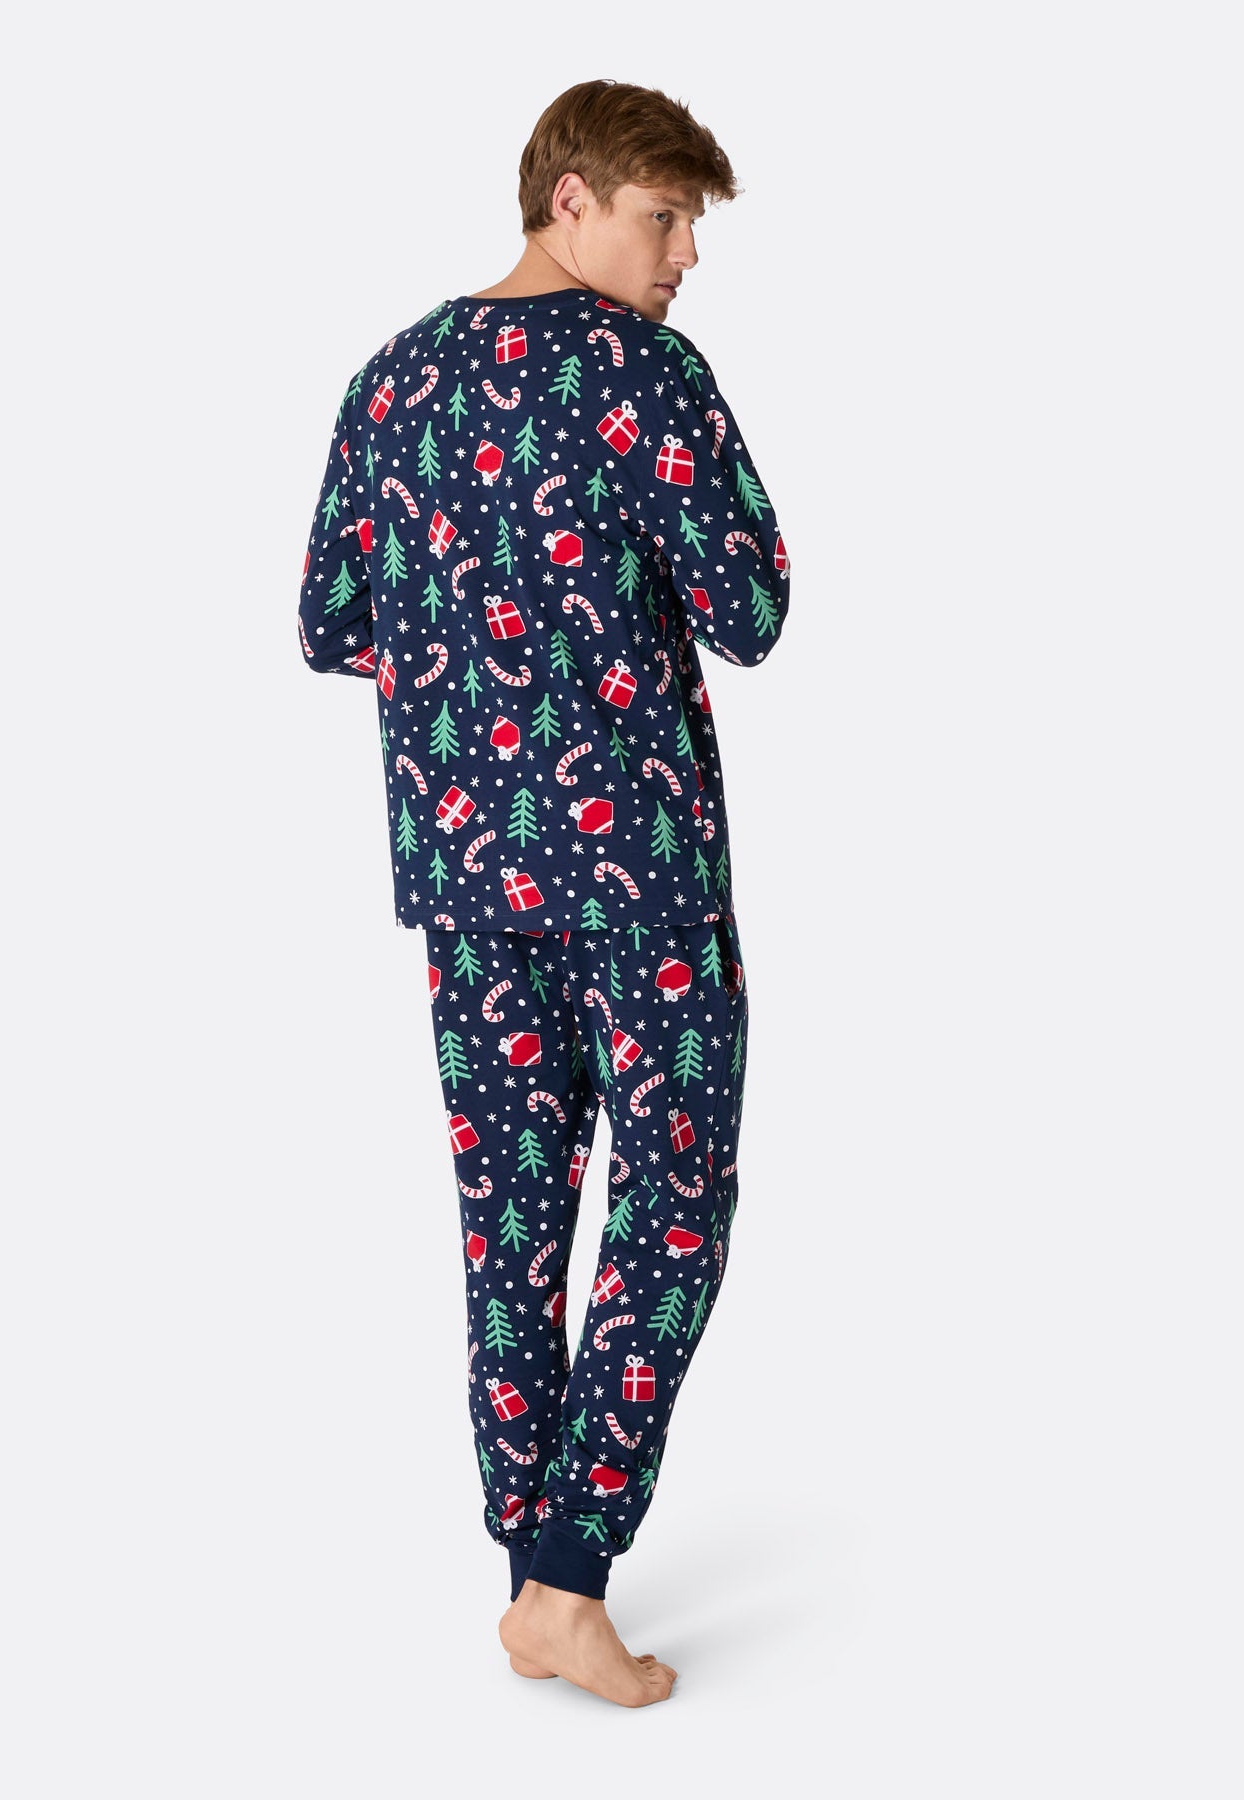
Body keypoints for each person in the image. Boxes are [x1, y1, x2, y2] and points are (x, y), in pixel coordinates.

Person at [295, 78, 791, 1707]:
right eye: (665, 217)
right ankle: (570, 1580)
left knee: (510, 1221)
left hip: (465, 876)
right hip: (640, 873)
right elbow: (751, 609)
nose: (686, 255)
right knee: (674, 1202)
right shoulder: (643, 376)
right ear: (567, 201)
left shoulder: (392, 380)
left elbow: (331, 619)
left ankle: (532, 1586)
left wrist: (475, 634)